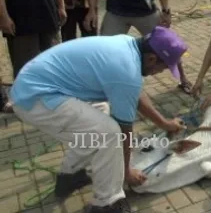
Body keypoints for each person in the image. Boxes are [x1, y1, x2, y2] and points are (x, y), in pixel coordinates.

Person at [10, 26, 187, 213]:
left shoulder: (128, 46)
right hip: (35, 97)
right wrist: (125, 171)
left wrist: (165, 124)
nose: (160, 73)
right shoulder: (125, 69)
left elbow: (135, 94)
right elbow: (124, 130)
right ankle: (107, 202)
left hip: (36, 86)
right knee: (109, 133)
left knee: (100, 112)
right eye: (164, 67)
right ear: (151, 59)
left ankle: (71, 174)